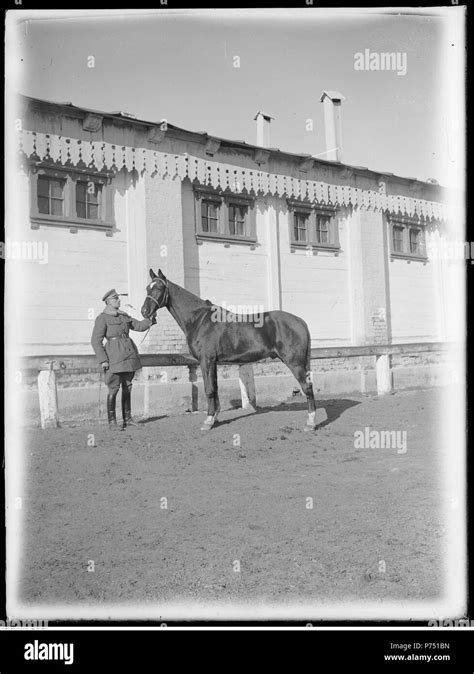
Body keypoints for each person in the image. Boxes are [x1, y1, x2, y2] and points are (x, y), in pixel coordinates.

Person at [91, 289, 154, 430]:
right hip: (113, 357)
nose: (119, 301)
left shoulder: (123, 316)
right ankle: (112, 422)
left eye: (118, 298)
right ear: (108, 302)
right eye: (115, 299)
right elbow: (96, 341)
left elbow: (138, 326)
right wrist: (103, 360)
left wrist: (149, 321)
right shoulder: (102, 319)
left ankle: (128, 418)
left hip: (128, 355)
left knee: (127, 386)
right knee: (113, 388)